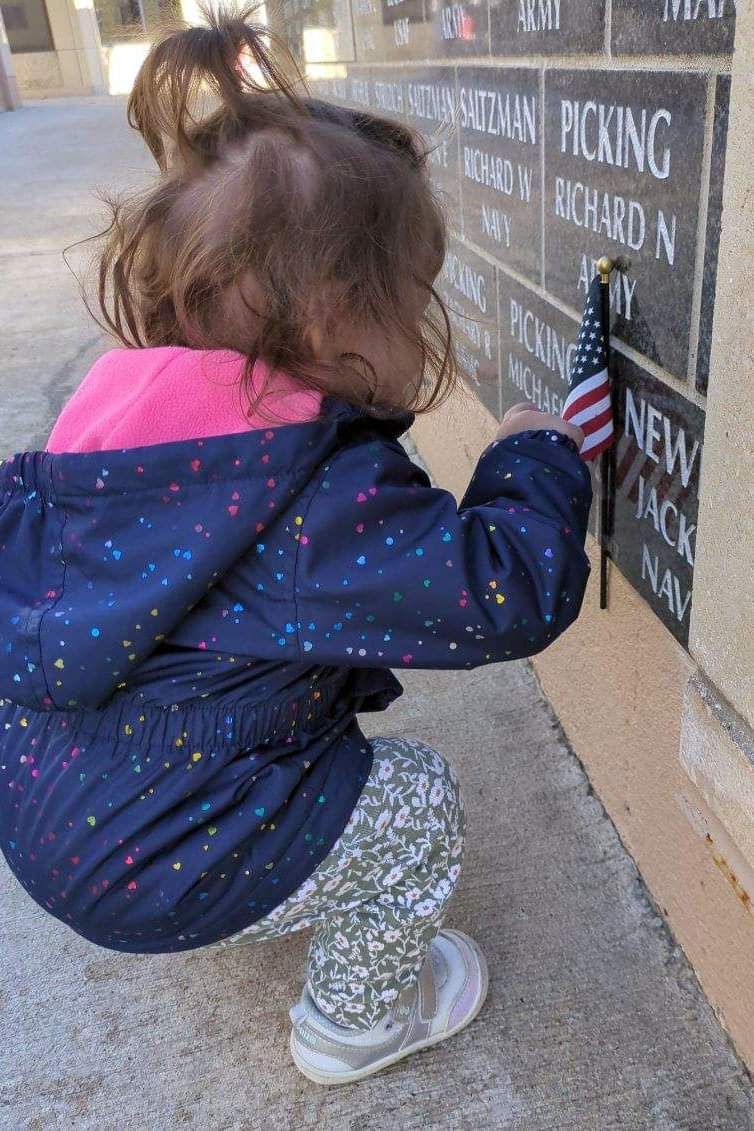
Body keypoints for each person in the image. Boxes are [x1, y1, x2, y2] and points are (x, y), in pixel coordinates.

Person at [0, 10, 591, 1085]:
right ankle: (354, 1022)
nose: (422, 325)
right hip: (150, 863)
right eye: (413, 299)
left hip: (47, 810)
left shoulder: (123, 421)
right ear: (333, 320)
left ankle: (203, 856)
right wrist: (535, 458)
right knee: (409, 801)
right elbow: (499, 594)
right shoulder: (304, 491)